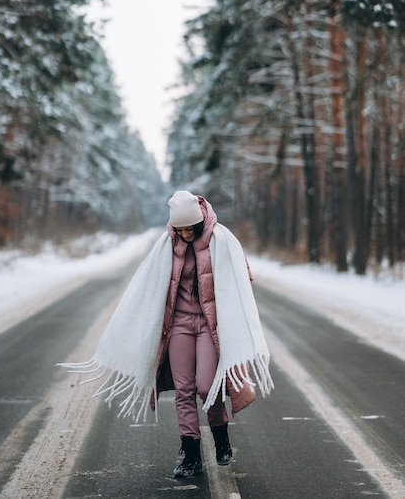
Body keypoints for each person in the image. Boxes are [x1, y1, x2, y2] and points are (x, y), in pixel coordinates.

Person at [59, 190, 273, 478]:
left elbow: (241, 277)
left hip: (211, 328)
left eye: (189, 229)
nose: (185, 234)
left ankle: (221, 439)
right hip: (179, 327)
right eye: (180, 229)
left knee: (207, 386)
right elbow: (149, 282)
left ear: (199, 222)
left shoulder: (222, 239)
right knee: (183, 391)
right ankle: (191, 453)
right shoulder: (166, 244)